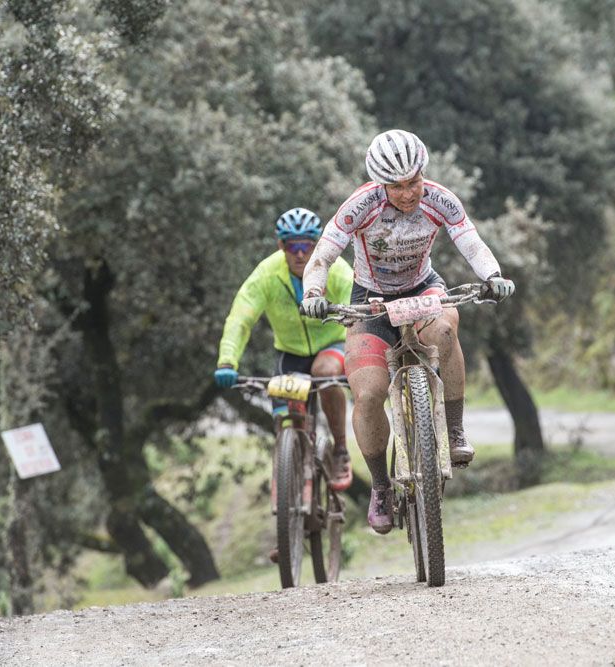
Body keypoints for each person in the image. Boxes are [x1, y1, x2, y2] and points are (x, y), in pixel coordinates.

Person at [300, 129, 515, 534]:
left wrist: (493, 274)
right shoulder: (359, 206)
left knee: (445, 333)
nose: (408, 193)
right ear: (382, 184)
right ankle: (381, 486)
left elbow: (470, 242)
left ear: (422, 174)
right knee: (367, 393)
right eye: (397, 186)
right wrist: (314, 291)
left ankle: (453, 429)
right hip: (370, 301)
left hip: (423, 287)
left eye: (413, 181)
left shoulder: (439, 199)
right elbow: (323, 255)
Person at [215, 207, 355, 492]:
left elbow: (358, 314)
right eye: (292, 246)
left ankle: (340, 449)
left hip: (332, 345)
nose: (300, 253)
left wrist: (362, 358)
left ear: (318, 245)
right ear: (281, 246)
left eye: (307, 245)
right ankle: (290, 469)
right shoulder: (267, 274)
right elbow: (240, 318)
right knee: (285, 418)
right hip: (290, 354)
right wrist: (227, 362)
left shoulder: (338, 270)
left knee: (325, 373)